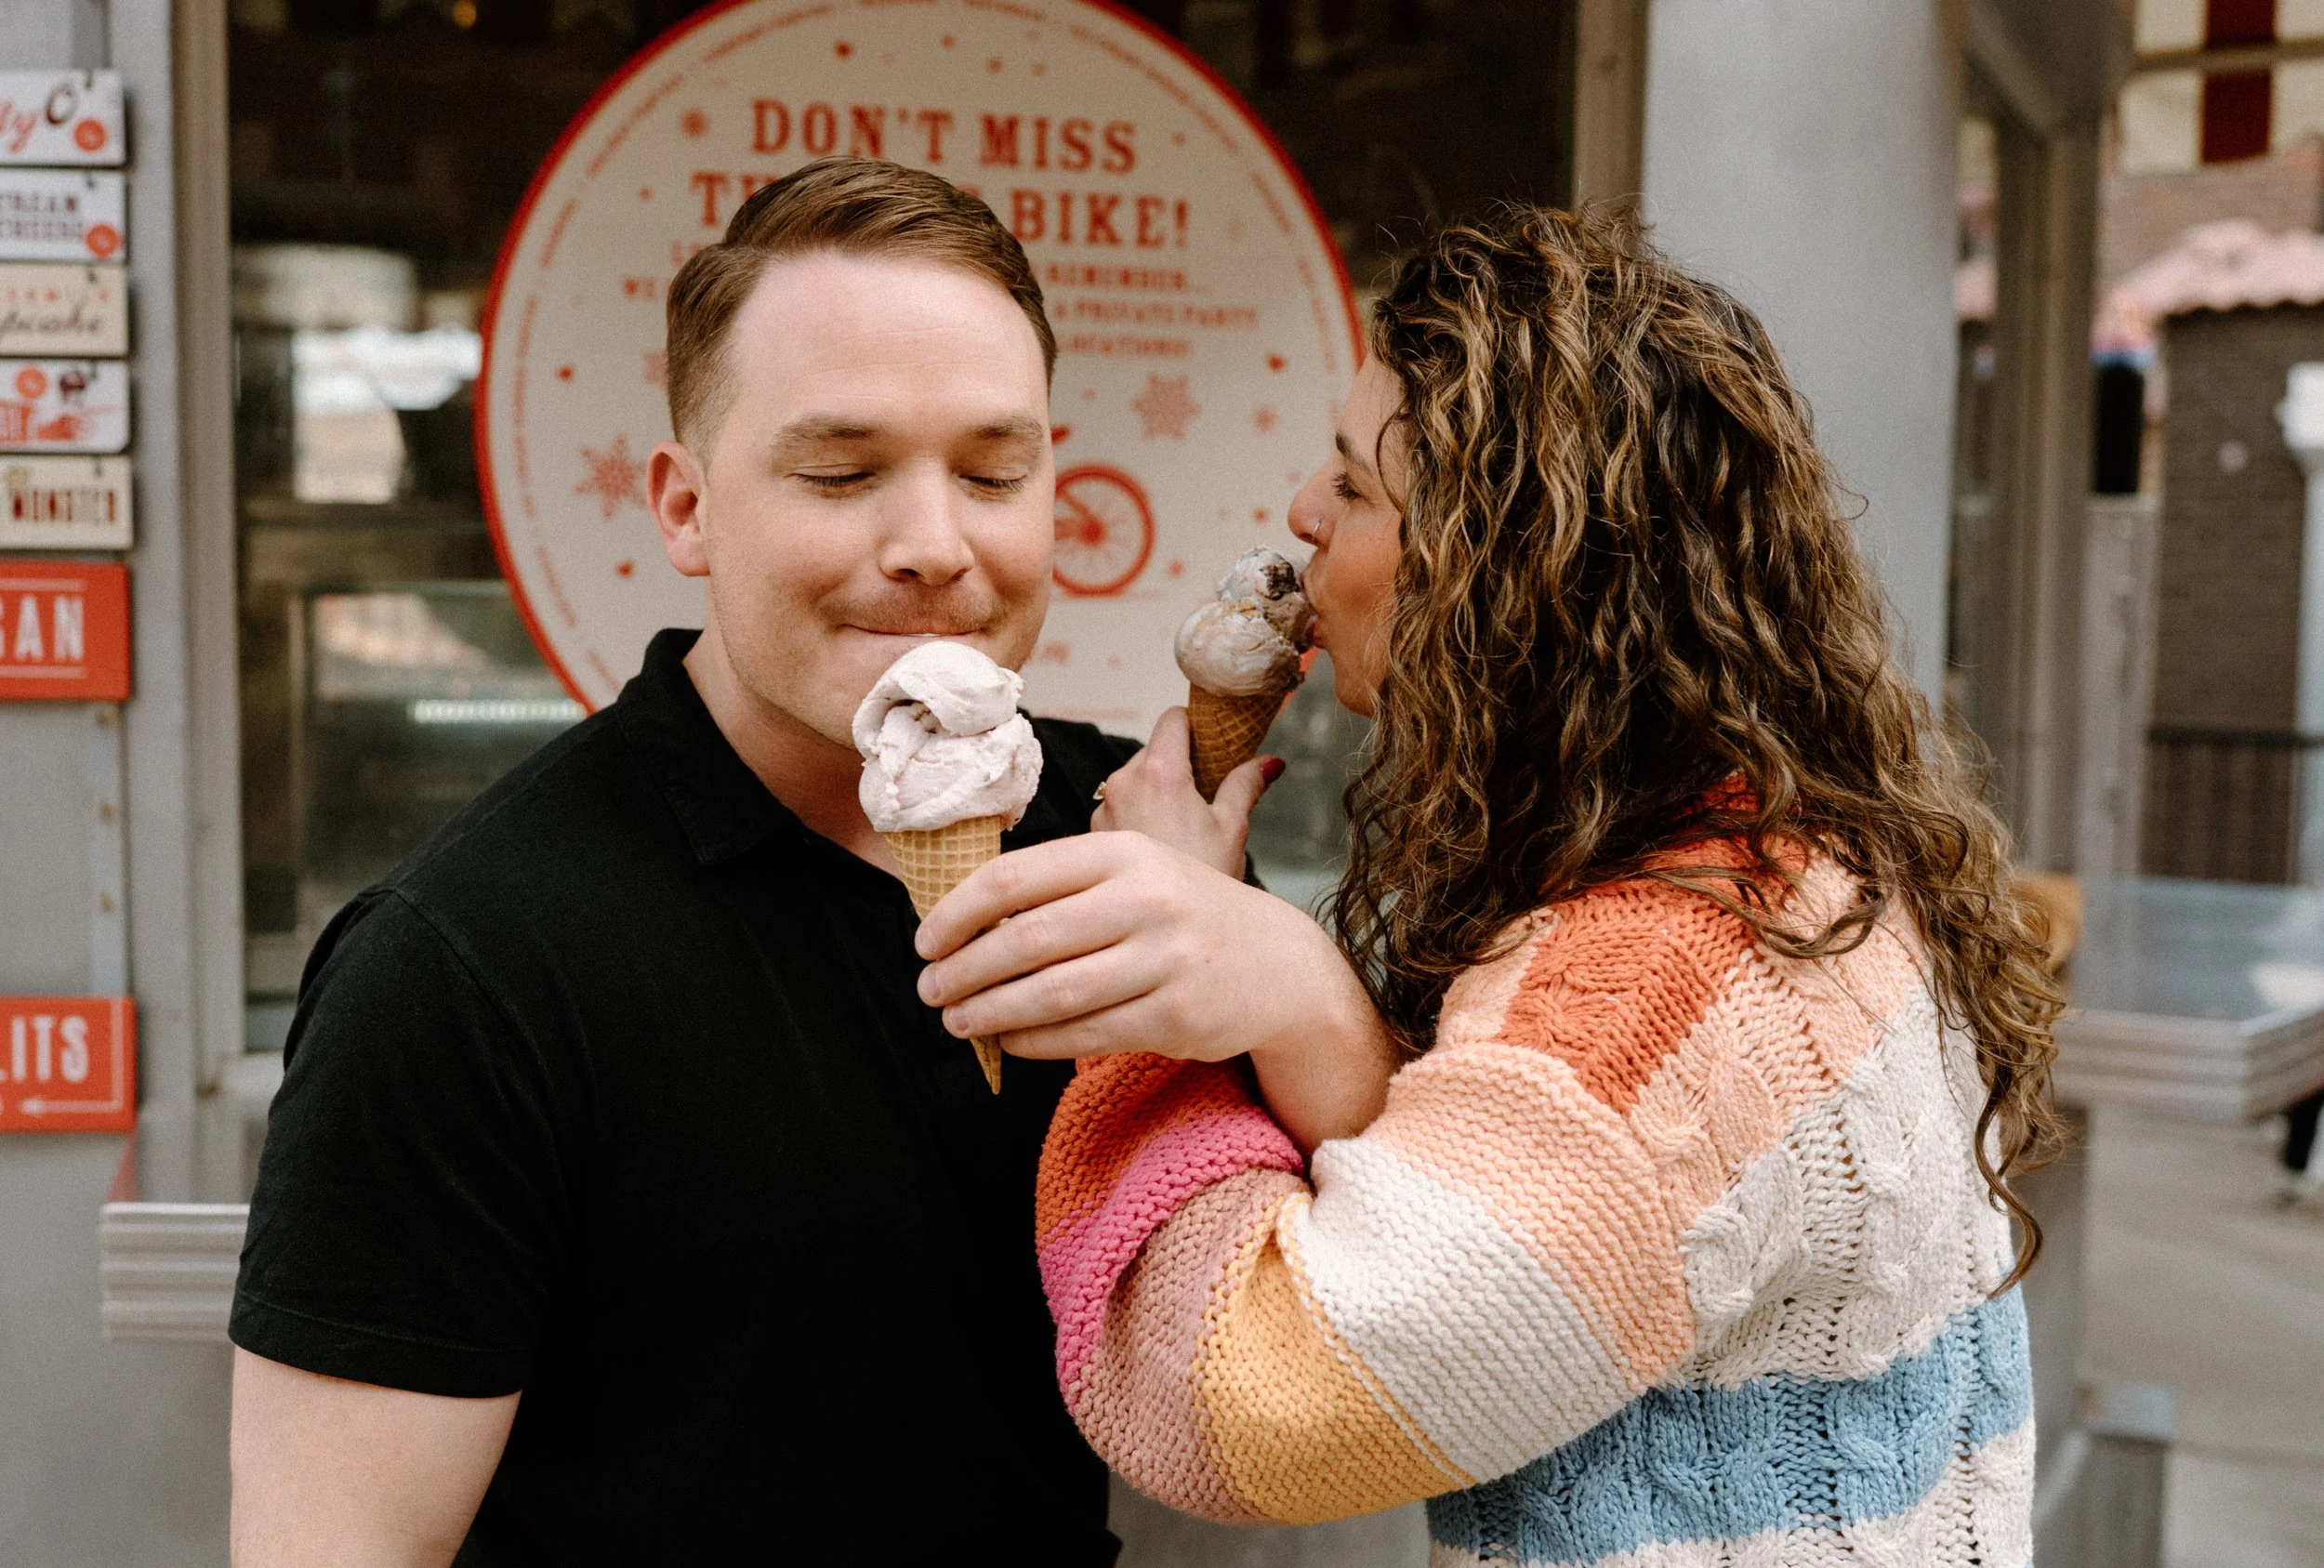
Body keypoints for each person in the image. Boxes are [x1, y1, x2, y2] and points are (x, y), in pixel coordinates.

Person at [915, 205, 2065, 1565]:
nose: (1298, 510)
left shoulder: (1659, 983)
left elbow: (1243, 1401)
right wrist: (1308, 1008)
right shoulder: (1797, 864)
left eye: (1352, 484)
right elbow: (1501, 1209)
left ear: (1496, 573)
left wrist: (1158, 1010)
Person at [226, 159, 1195, 1565]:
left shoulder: (1119, 835)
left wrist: (1283, 983)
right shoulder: (466, 969)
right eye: (840, 471)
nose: (934, 545)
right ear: (684, 506)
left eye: (995, 471)